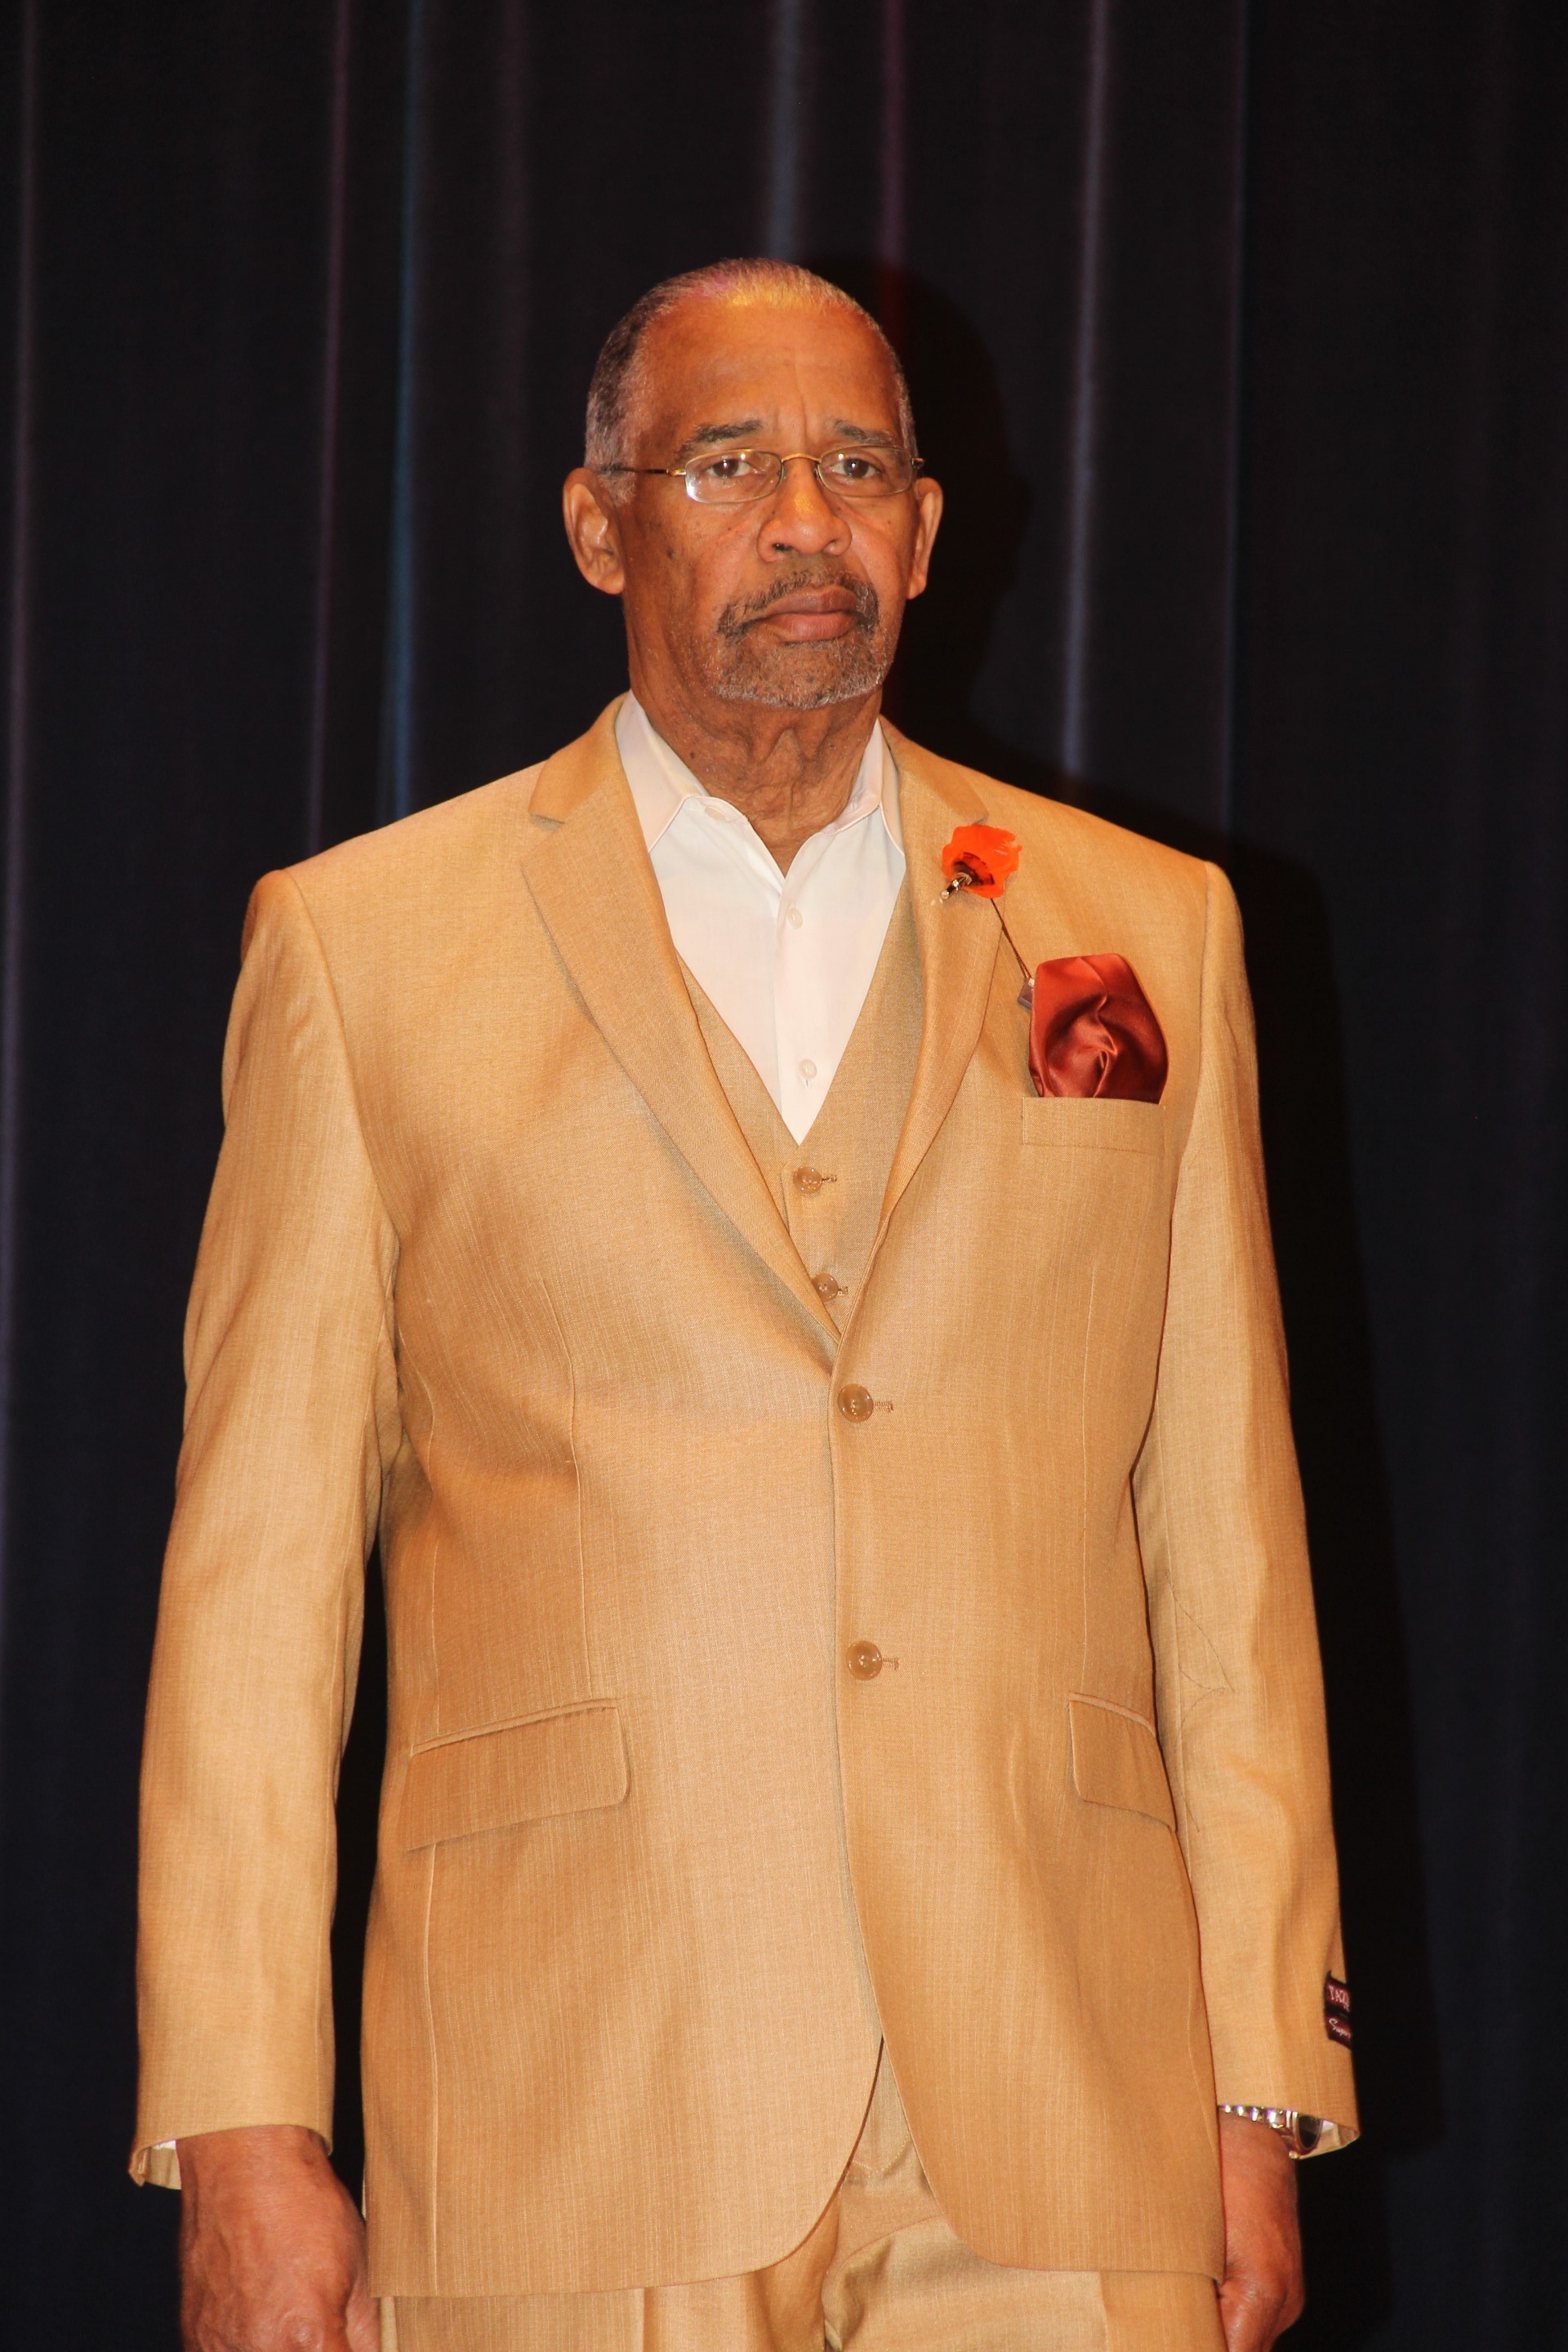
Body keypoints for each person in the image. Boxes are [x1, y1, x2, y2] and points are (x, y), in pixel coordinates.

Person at [135, 259, 1357, 2352]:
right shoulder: (361, 949)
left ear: (928, 532)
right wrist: (245, 2123)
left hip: (1071, 2114)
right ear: (600, 524)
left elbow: (1229, 1546)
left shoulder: (1151, 929)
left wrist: (1264, 2076)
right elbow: (255, 1598)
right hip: (571, 2099)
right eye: (729, 465)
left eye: (859, 468)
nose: (807, 521)